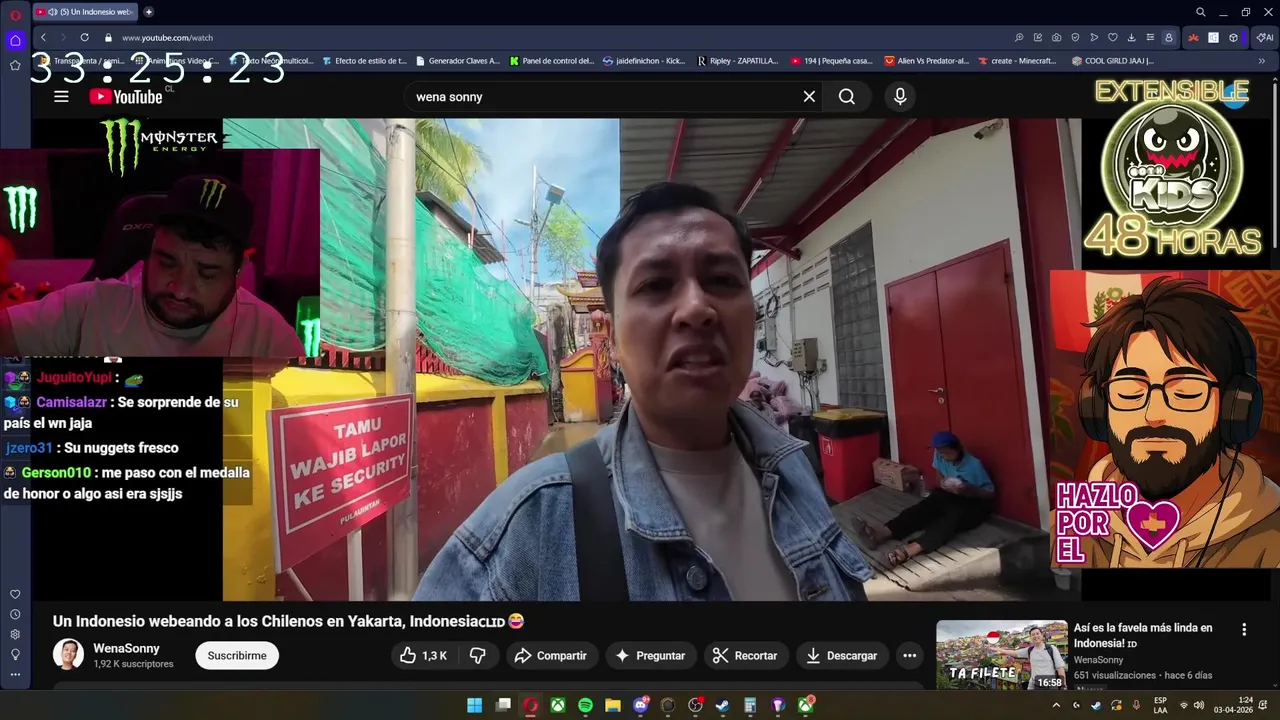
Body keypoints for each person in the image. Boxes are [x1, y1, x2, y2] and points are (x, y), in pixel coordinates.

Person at [413, 182, 873, 601]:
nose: (697, 308)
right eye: (656, 285)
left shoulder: (793, 467)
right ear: (611, 337)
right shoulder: (529, 527)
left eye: (722, 280)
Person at [1065, 276, 1279, 568]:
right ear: (1099, 408)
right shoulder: (1071, 527)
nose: (1153, 415)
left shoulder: (1272, 541)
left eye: (1186, 391)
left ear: (1235, 407)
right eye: (1129, 391)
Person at [0, 175, 303, 357]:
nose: (180, 290)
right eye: (167, 262)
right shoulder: (88, 307)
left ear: (240, 268)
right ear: (150, 249)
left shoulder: (269, 337)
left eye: (207, 273)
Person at [859, 431, 994, 566]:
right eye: (940, 452)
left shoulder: (973, 465)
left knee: (949, 520)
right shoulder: (939, 455)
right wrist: (944, 483)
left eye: (947, 452)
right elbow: (939, 475)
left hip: (975, 504)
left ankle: (911, 549)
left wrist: (967, 489)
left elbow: (989, 494)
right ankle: (881, 534)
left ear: (957, 448)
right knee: (924, 507)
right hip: (952, 494)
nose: (943, 456)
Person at [991, 626, 1066, 690]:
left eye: (1037, 633)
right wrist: (999, 649)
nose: (1035, 636)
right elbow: (1014, 653)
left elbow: (1060, 668)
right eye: (1033, 635)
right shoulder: (1029, 650)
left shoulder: (1051, 649)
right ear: (1031, 637)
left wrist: (1063, 685)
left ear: (1042, 635)